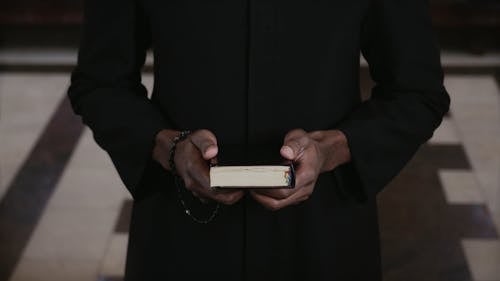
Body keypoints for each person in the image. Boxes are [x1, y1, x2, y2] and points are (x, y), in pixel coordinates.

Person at [67, 0, 450, 280]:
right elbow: (100, 83)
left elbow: (417, 92)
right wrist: (168, 147)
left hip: (322, 233)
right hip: (181, 228)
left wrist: (332, 149)